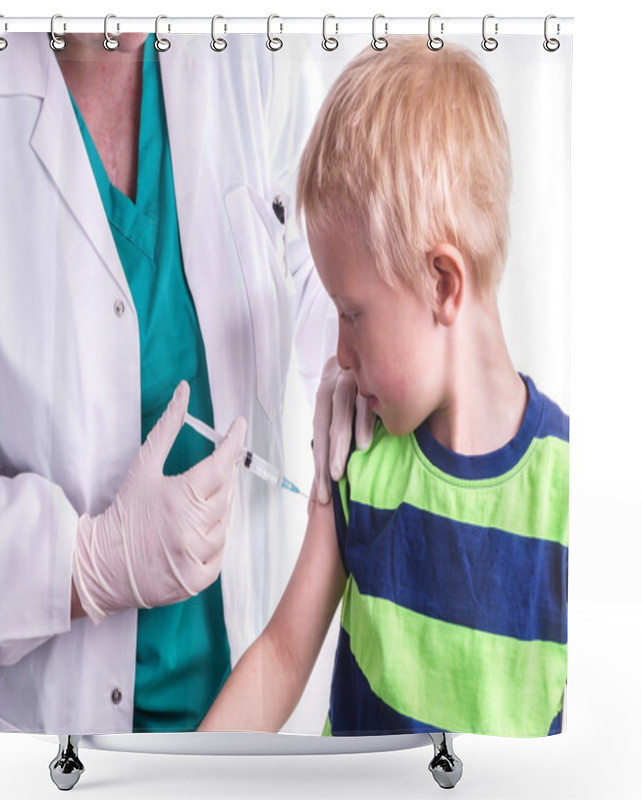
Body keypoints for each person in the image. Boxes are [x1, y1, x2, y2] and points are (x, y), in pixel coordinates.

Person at [0, 30, 366, 734]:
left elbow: (312, 252)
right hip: (36, 726)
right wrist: (88, 565)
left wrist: (356, 345)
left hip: (235, 700)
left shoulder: (251, 46)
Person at [199, 37, 569, 737]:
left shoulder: (566, 495)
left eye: (352, 313)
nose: (337, 352)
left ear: (442, 284)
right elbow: (281, 657)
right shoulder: (362, 461)